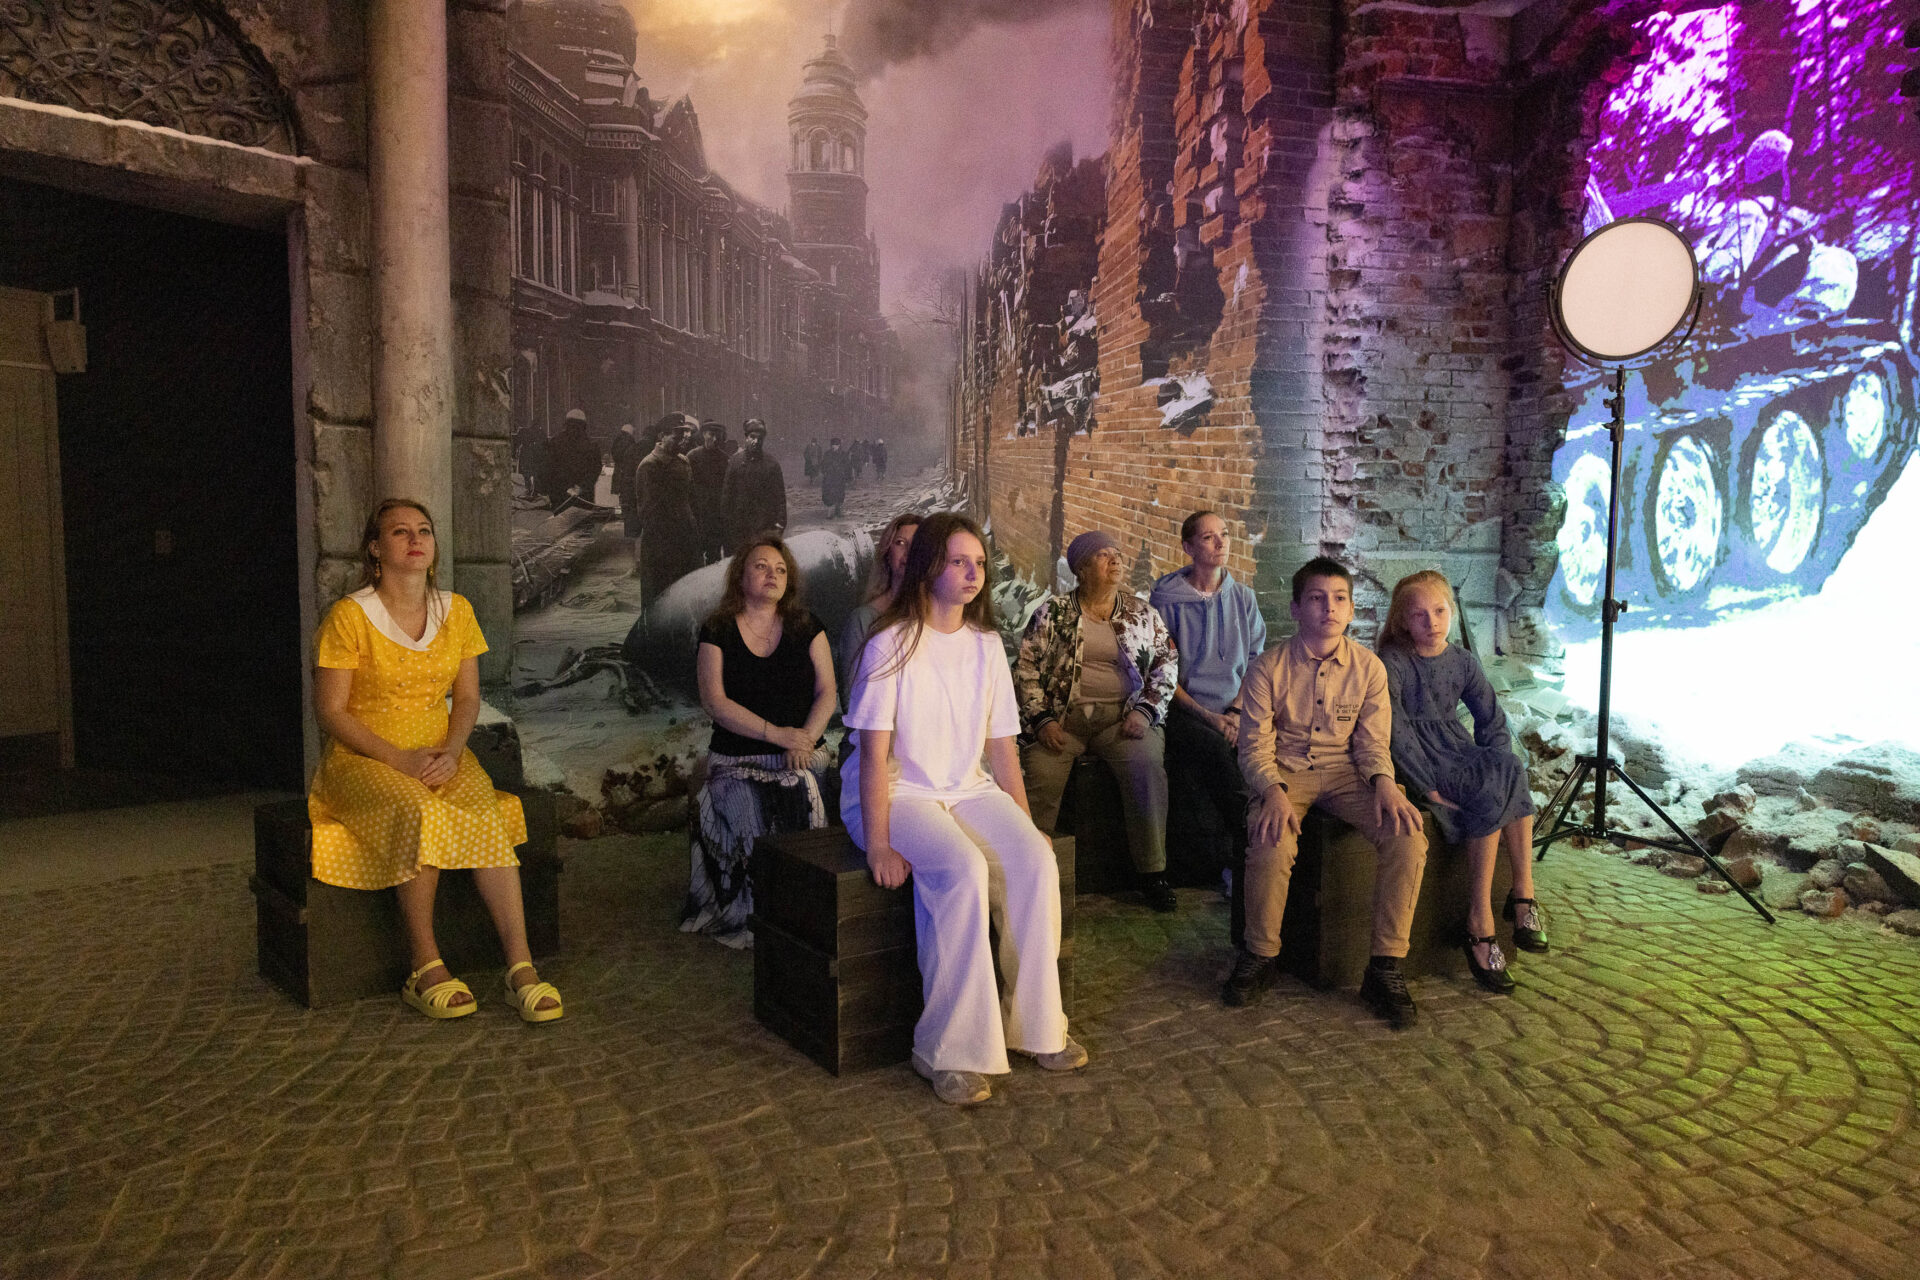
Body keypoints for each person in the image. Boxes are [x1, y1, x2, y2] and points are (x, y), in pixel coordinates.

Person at [843, 512, 1083, 1105]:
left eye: (979, 563)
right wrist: (878, 844)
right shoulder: (889, 643)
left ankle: (1036, 1027)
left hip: (967, 787)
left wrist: (1025, 824)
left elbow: (1001, 749)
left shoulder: (985, 645)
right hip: (899, 792)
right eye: (959, 562)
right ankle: (947, 1049)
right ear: (928, 567)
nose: (974, 573)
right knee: (964, 869)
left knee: (1035, 862)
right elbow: (873, 757)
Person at [308, 499, 562, 1023]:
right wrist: (399, 759)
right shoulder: (349, 616)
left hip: (441, 749)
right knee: (420, 811)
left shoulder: (456, 610)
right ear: (375, 549)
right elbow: (331, 712)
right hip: (366, 755)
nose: (415, 539)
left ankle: (520, 968)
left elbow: (466, 698)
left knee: (486, 813)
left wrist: (452, 750)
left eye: (423, 530)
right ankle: (424, 966)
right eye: (399, 532)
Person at [1224, 557, 1428, 1028]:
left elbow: (1372, 743)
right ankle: (1260, 954)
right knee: (1271, 837)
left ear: (1352, 610)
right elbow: (1254, 746)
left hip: (1347, 771)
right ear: (1296, 608)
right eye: (1316, 599)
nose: (1329, 608)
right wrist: (1272, 790)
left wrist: (1385, 784)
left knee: (1407, 835)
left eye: (1339, 599)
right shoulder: (1267, 668)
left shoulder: (1369, 668)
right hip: (1286, 769)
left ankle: (1385, 966)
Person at [1378, 570, 1546, 992]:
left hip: (1456, 747)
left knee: (1510, 768)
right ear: (1402, 621)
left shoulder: (1462, 661)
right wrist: (1427, 787)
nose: (1431, 622)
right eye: (1419, 615)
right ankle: (1480, 918)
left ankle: (1522, 891)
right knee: (1492, 783)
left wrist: (1497, 759)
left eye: (1439, 611)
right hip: (1420, 756)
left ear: (1451, 612)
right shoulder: (1394, 661)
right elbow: (1395, 728)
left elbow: (1491, 717)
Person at [1015, 530, 1178, 913]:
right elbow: (1026, 668)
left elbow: (1166, 664)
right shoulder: (1052, 612)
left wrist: (1145, 711)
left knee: (1146, 767)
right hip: (1063, 722)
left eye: (1116, 554)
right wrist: (1042, 720)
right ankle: (1030, 871)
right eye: (1103, 555)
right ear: (1082, 569)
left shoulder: (1142, 613)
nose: (1115, 560)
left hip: (1121, 720)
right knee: (1039, 774)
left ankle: (1153, 872)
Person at [685, 536, 836, 948]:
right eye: (761, 566)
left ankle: (805, 918)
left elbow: (828, 692)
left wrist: (804, 740)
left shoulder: (808, 626)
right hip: (737, 761)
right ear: (740, 576)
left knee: (807, 802)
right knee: (749, 816)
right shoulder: (717, 630)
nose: (772, 574)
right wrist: (777, 734)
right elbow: (715, 702)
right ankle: (758, 918)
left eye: (781, 569)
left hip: (801, 755)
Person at [1149, 511, 1266, 886]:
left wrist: (1235, 711)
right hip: (1184, 708)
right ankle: (1248, 850)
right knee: (1214, 748)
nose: (1220, 543)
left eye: (1225, 534)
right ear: (1188, 547)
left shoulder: (1243, 598)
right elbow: (1163, 671)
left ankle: (1239, 857)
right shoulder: (1166, 601)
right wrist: (1210, 717)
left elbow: (1256, 662)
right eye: (1208, 537)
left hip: (1235, 708)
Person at [838, 512, 921, 710]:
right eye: (900, 543)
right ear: (887, 553)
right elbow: (852, 699)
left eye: (917, 544)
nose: (909, 551)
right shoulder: (863, 620)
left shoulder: (941, 617)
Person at [632, 415, 699, 608]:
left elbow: (690, 501)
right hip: (661, 546)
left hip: (685, 540)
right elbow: (648, 513)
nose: (682, 440)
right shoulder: (649, 466)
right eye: (676, 436)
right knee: (658, 598)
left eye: (684, 435)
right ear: (662, 436)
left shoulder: (683, 462)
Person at [721, 419, 789, 551]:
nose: (756, 441)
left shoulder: (772, 464)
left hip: (764, 527)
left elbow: (780, 498)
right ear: (746, 437)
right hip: (740, 528)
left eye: (760, 438)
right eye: (752, 437)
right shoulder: (735, 462)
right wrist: (727, 527)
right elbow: (727, 496)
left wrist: (779, 525)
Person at [686, 421, 732, 564]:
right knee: (695, 555)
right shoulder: (692, 457)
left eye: (718, 435)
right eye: (711, 434)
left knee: (714, 555)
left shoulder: (724, 459)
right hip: (697, 514)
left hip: (715, 516)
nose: (715, 439)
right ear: (704, 434)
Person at [543, 407, 601, 509]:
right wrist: (581, 487)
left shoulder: (555, 442)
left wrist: (566, 487)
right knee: (583, 518)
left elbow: (549, 468)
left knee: (562, 519)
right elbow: (595, 469)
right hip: (583, 496)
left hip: (560, 495)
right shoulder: (591, 444)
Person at [609, 421, 642, 531]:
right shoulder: (629, 442)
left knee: (622, 497)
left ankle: (623, 514)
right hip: (626, 473)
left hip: (618, 472)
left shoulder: (617, 441)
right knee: (626, 499)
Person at [818, 436, 853, 518]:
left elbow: (848, 466)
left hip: (840, 478)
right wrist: (824, 471)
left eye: (836, 445)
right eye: (833, 445)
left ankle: (838, 510)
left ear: (839, 445)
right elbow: (823, 464)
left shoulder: (843, 454)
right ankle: (830, 512)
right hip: (829, 478)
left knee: (840, 494)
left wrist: (848, 477)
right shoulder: (827, 454)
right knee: (829, 494)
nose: (834, 446)